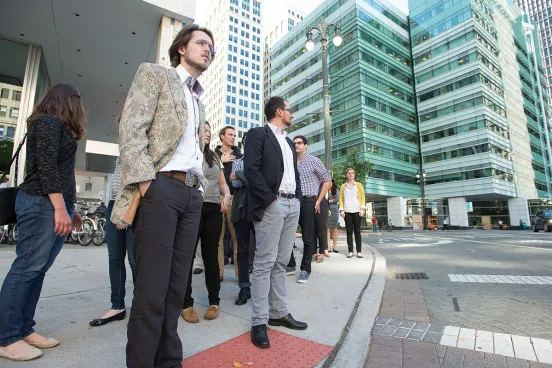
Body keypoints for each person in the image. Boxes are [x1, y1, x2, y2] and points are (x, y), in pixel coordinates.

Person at [111, 24, 214, 367]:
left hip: (191, 195)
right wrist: (145, 184)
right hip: (161, 188)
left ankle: (168, 360)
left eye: (211, 47)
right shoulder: (156, 75)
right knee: (152, 290)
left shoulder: (199, 99)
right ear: (181, 48)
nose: (208, 50)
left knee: (175, 290)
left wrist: (198, 190)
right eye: (201, 43)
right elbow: (131, 128)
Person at [0, 84, 85, 361]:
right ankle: (6, 337)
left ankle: (24, 328)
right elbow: (47, 167)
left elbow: (60, 170)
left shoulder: (56, 125)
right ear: (66, 100)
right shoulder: (48, 121)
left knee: (37, 269)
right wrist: (60, 207)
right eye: (76, 101)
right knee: (27, 267)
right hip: (41, 202)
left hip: (54, 203)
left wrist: (70, 208)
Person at [244, 96, 306, 349]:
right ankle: (259, 321)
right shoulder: (258, 134)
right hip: (273, 203)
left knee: (282, 262)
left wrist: (299, 197)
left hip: (293, 204)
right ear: (280, 112)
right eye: (290, 110)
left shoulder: (290, 142)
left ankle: (278, 312)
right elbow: (251, 170)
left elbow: (293, 173)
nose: (293, 114)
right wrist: (269, 200)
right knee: (264, 263)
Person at [181, 122, 231, 323]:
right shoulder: (188, 153)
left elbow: (222, 183)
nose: (208, 133)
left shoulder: (214, 156)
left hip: (212, 209)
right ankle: (186, 304)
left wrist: (226, 194)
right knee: (188, 257)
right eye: (204, 129)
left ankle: (214, 301)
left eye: (210, 130)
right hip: (192, 208)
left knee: (211, 257)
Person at [89, 153, 136, 327]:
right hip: (113, 204)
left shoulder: (140, 145)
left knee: (134, 260)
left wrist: (126, 211)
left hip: (133, 206)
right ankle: (117, 306)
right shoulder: (122, 151)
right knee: (115, 258)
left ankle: (141, 307)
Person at [286, 135, 331, 283]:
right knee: (285, 235)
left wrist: (319, 199)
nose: (296, 145)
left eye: (299, 143)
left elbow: (327, 181)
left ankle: (305, 269)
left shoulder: (314, 161)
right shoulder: (290, 161)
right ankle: (290, 265)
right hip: (292, 201)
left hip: (308, 202)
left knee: (308, 237)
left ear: (306, 145)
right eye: (294, 143)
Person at [230, 132, 256, 305]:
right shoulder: (237, 161)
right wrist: (244, 176)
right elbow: (234, 183)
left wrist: (240, 175)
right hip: (240, 207)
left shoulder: (263, 161)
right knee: (242, 249)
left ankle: (263, 287)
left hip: (260, 208)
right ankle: (244, 287)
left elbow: (260, 181)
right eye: (246, 141)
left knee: (263, 249)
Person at [215, 126, 241, 277]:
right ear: (222, 136)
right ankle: (219, 273)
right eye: (230, 135)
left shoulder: (239, 155)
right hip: (216, 199)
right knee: (217, 239)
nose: (233, 137)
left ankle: (239, 274)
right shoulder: (212, 155)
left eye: (234, 135)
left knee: (237, 238)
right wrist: (220, 160)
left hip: (234, 198)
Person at [339, 168, 366, 258]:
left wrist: (362, 208)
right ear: (346, 175)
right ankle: (350, 251)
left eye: (352, 173)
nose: (351, 174)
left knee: (357, 231)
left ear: (354, 175)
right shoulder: (343, 186)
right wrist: (341, 210)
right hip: (347, 211)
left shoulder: (359, 185)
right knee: (349, 232)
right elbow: (341, 199)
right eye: (349, 173)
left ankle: (359, 251)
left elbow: (362, 197)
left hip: (357, 210)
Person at [313, 181, 330, 262]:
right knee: (312, 230)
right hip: (311, 206)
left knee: (321, 230)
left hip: (322, 207)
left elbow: (327, 198)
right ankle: (313, 252)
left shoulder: (325, 183)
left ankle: (321, 252)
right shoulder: (311, 181)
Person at [327, 179, 340, 252]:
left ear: (333, 182)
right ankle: (328, 247)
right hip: (326, 209)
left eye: (330, 182)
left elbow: (337, 198)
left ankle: (335, 247)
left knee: (334, 229)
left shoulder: (336, 189)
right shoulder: (324, 189)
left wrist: (330, 200)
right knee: (327, 229)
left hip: (334, 209)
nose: (329, 183)